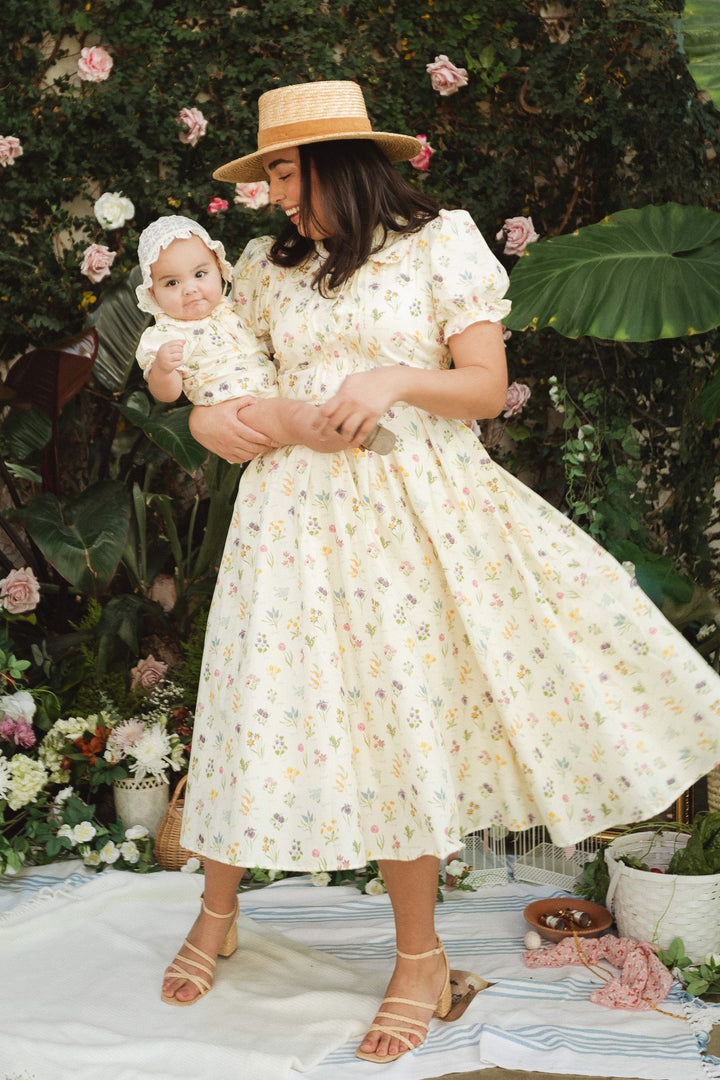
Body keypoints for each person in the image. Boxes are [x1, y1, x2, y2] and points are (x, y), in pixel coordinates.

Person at [161, 81, 720, 1063]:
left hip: (412, 525)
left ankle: (418, 959)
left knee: (401, 721)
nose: (278, 196)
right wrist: (233, 421)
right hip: (289, 525)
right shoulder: (260, 266)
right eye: (270, 174)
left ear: (343, 159)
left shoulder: (440, 242)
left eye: (289, 171)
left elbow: (485, 387)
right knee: (257, 709)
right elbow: (217, 397)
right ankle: (218, 913)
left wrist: (392, 380)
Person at [135, 214, 394, 452]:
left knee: (291, 412)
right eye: (172, 283)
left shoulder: (232, 310)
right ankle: (341, 431)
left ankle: (338, 424)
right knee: (291, 416)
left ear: (219, 269)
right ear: (152, 292)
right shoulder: (166, 334)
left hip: (271, 395)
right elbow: (166, 395)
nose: (189, 289)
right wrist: (163, 369)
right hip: (238, 410)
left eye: (200, 274)